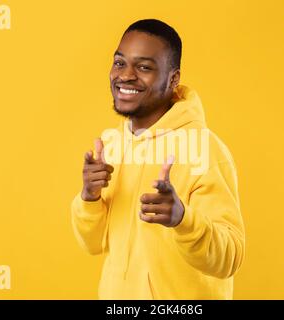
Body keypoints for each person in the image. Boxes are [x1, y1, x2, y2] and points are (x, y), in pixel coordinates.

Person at [71, 19, 245, 299]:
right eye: (119, 63)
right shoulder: (112, 144)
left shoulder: (203, 148)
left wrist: (183, 220)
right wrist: (89, 197)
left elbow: (231, 257)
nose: (125, 75)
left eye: (144, 67)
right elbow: (92, 245)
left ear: (173, 79)